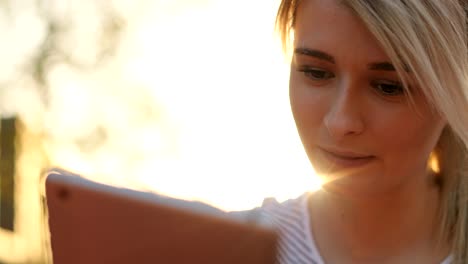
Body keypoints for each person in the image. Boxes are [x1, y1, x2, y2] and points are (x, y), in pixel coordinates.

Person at [250, 0, 468, 263]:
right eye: (316, 72)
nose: (340, 123)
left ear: (455, 92)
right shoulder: (227, 248)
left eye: (389, 87)